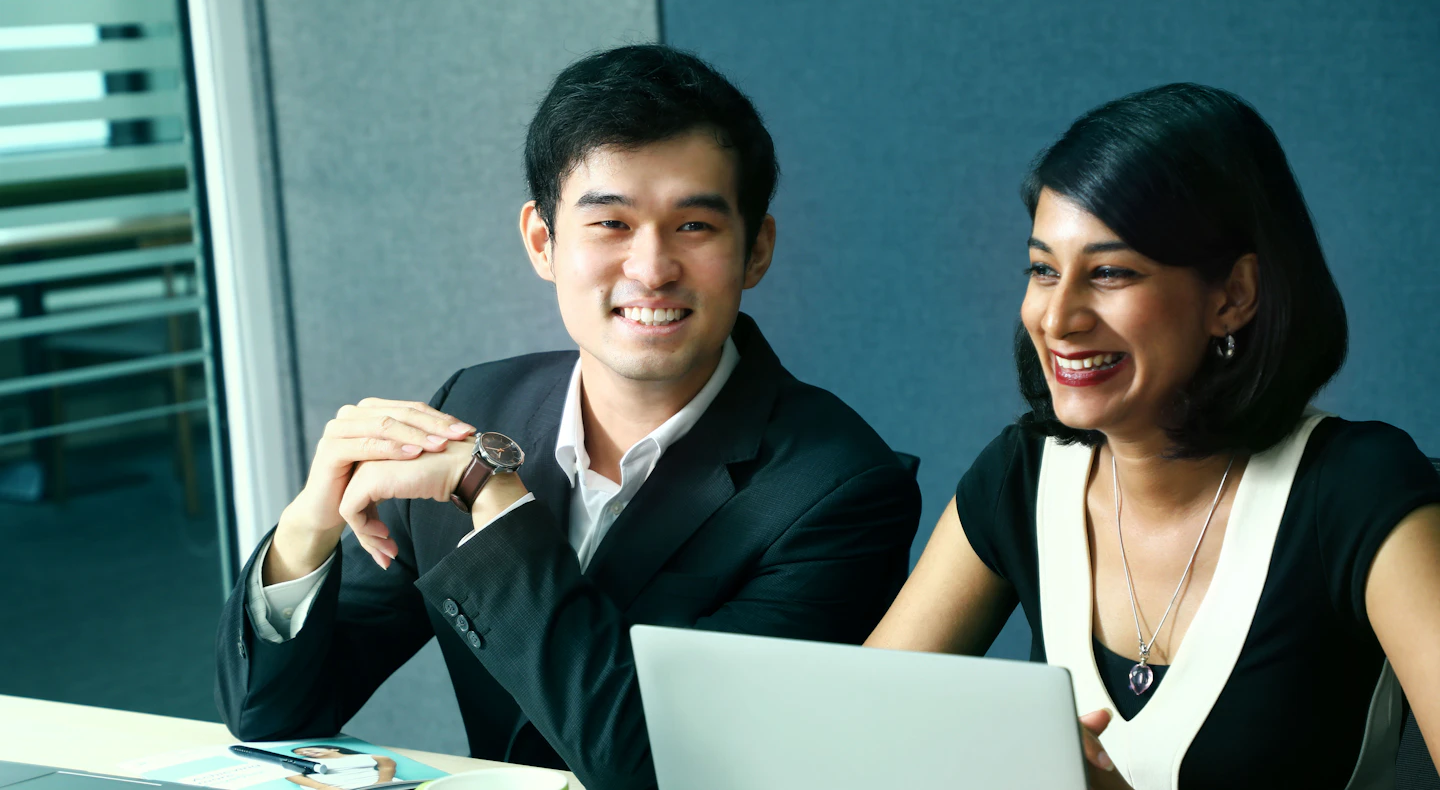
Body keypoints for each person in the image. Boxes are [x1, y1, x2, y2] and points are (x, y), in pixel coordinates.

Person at [215, 44, 921, 790]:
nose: (650, 269)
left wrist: (491, 494)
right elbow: (274, 717)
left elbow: (664, 769)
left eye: (694, 227)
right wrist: (306, 525)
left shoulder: (841, 491)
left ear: (757, 251)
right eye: (611, 224)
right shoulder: (473, 406)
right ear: (543, 242)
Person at [866, 83, 1440, 789]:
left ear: (1232, 296)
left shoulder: (1358, 489)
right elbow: (858, 736)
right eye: (1044, 270)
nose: (1058, 318)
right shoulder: (1022, 474)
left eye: (1110, 273)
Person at [284, 746, 396, 790]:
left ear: (333, 749)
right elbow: (291, 775)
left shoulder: (364, 757)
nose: (305, 752)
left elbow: (387, 763)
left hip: (377, 786)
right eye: (301, 753)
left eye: (307, 749)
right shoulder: (306, 762)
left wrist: (382, 783)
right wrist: (325, 788)